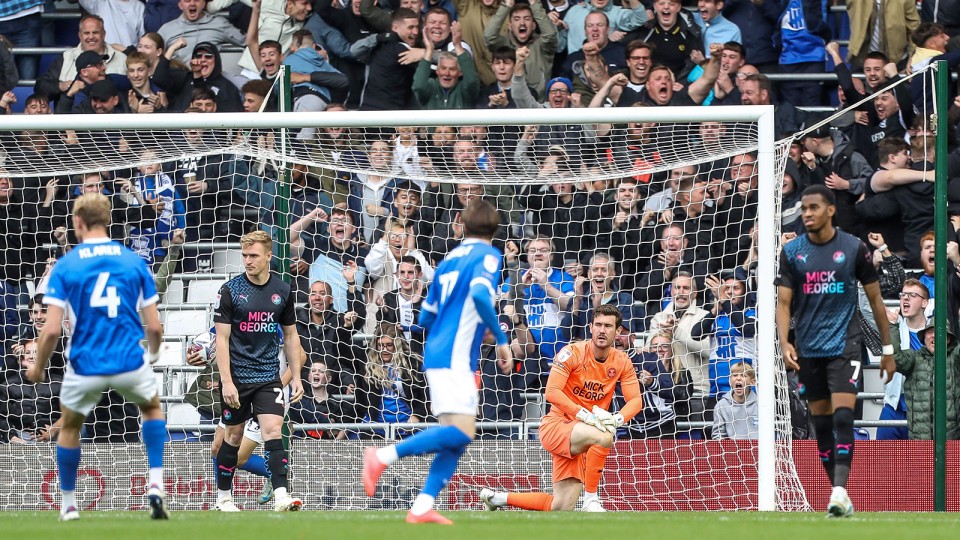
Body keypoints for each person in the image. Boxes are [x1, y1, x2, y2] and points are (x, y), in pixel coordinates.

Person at [362, 198, 512, 524]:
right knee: (461, 433)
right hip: (454, 355)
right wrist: (501, 340)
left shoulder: (446, 261)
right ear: (494, 229)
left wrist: (464, 322)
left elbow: (427, 315)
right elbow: (480, 294)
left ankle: (422, 506)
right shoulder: (488, 255)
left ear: (462, 223)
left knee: (455, 436)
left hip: (438, 350)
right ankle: (382, 455)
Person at [27, 192, 168, 521]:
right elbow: (155, 327)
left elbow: (49, 332)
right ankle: (156, 484)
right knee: (151, 407)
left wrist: (38, 367)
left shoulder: (67, 265)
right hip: (129, 360)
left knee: (71, 427)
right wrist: (156, 353)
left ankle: (69, 504)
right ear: (107, 220)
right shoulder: (133, 261)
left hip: (85, 364)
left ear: (77, 222)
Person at [775, 184, 895, 518]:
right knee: (822, 424)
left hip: (846, 344)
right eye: (803, 208)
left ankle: (840, 491)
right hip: (809, 349)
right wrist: (784, 342)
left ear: (830, 210)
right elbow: (783, 303)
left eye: (813, 207)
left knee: (843, 415)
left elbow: (875, 300)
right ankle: (838, 492)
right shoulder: (793, 252)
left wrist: (887, 349)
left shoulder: (854, 249)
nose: (807, 213)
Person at [478, 305, 643, 512]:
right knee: (605, 435)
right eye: (598, 325)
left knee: (560, 507)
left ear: (618, 332)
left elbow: (636, 401)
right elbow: (552, 392)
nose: (602, 330)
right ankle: (591, 499)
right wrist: (584, 414)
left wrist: (617, 419)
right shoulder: (571, 353)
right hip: (558, 425)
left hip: (583, 432)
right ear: (590, 327)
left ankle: (498, 498)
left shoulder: (622, 360)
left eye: (608, 326)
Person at [212, 230, 306, 512]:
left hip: (267, 376)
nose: (248, 261)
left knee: (273, 430)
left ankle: (281, 496)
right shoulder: (230, 291)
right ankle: (224, 498)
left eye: (253, 255)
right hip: (238, 378)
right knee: (232, 437)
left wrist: (297, 377)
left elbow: (291, 336)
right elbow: (222, 339)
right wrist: (227, 381)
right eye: (244, 256)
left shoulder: (283, 291)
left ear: (268, 256)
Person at [711, 361, 758, 439]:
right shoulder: (721, 405)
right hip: (732, 450)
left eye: (743, 375)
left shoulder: (761, 404)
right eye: (735, 375)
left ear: (752, 382)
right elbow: (718, 436)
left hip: (758, 449)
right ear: (730, 380)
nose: (738, 378)